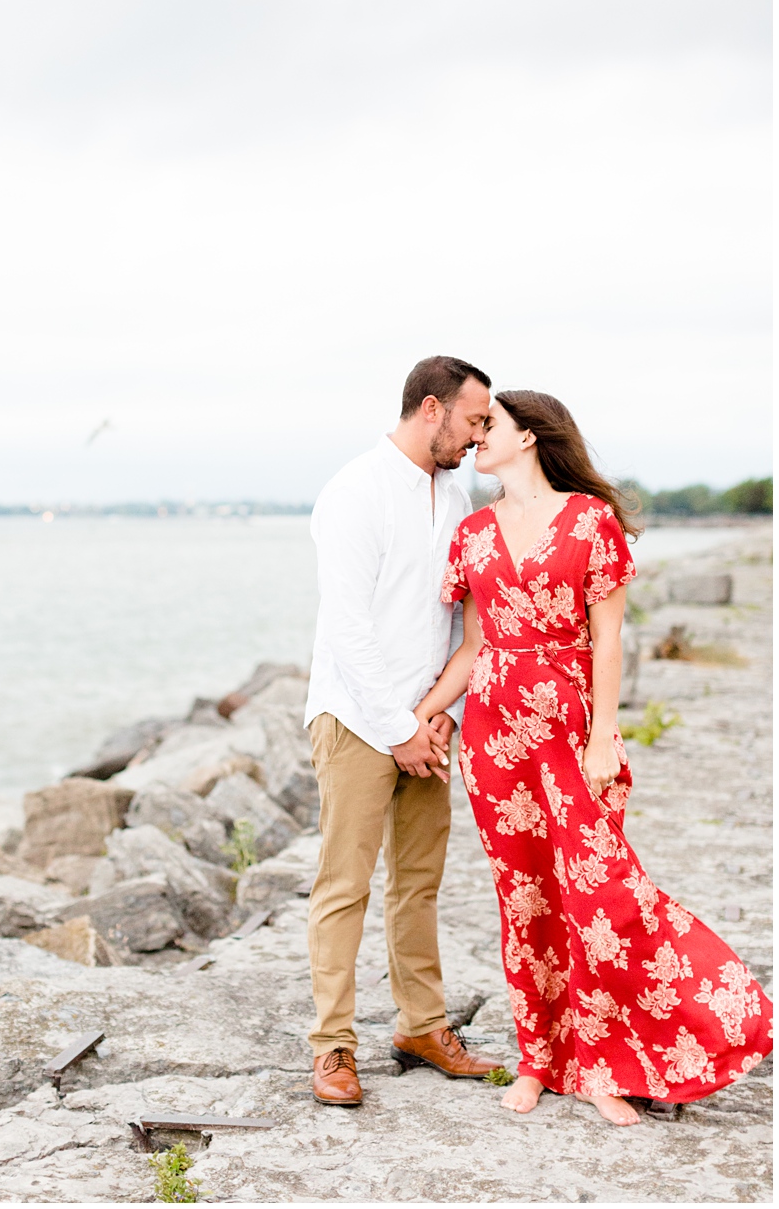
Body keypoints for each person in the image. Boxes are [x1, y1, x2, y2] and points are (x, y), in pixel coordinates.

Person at [414, 390, 772, 1124]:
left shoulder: (590, 521)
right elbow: (475, 647)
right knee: (524, 900)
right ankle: (541, 1059)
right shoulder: (474, 533)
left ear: (532, 437)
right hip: (494, 736)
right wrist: (418, 714)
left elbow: (608, 637)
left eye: (492, 425)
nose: (478, 436)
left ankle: (609, 1061)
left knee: (598, 895)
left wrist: (604, 731)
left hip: (570, 732)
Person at [303, 355, 503, 1106]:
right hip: (358, 719)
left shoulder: (455, 492)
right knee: (343, 885)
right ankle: (332, 1047)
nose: (480, 436)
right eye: (474, 419)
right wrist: (396, 727)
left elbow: (456, 616)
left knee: (417, 883)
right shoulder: (355, 490)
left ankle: (422, 1026)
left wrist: (437, 717)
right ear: (431, 408)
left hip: (428, 721)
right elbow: (347, 626)